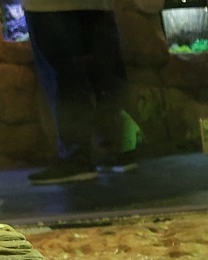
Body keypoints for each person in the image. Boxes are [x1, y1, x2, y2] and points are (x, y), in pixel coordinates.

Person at [23, 0, 141, 185]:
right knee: (104, 73)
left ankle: (76, 157)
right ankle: (120, 148)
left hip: (48, 5)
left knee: (64, 76)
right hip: (97, 5)